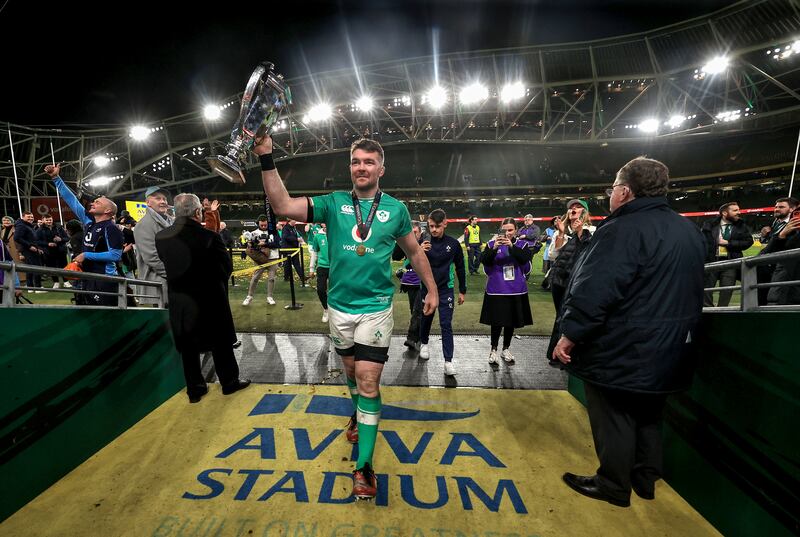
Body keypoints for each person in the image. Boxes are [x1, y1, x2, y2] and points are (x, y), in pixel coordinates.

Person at [254, 135, 437, 500]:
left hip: (376, 308)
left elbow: (415, 252)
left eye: (369, 161)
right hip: (339, 308)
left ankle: (364, 466)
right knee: (352, 374)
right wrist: (265, 157)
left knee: (369, 381)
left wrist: (431, 289)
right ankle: (357, 412)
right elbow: (282, 204)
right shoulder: (333, 203)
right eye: (356, 161)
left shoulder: (396, 209)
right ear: (350, 167)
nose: (362, 167)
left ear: (381, 169)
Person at [553, 157, 705, 508]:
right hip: (673, 345)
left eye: (612, 189)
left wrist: (570, 334)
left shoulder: (621, 229)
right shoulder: (688, 230)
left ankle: (613, 484)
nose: (610, 195)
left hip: (626, 343)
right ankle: (646, 478)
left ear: (624, 191)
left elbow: (597, 290)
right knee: (650, 412)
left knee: (614, 413)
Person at [155, 193, 250, 403]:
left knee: (188, 348)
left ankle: (195, 389)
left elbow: (166, 262)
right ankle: (229, 382)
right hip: (211, 301)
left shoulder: (161, 237)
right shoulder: (210, 237)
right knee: (220, 344)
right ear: (198, 212)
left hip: (180, 301)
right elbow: (226, 269)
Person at [45, 164, 124, 306]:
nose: (93, 203)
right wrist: (56, 178)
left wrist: (86, 255)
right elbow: (71, 200)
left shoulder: (112, 228)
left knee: (107, 317)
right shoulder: (88, 221)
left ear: (107, 211)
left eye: (97, 202)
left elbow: (115, 255)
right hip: (87, 277)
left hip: (105, 279)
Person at [480, 217, 537, 365]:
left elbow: (525, 259)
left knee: (511, 322)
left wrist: (511, 246)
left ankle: (506, 348)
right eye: (504, 230)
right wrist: (493, 249)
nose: (507, 233)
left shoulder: (522, 245)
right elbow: (484, 260)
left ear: (516, 230)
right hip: (496, 290)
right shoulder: (492, 244)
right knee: (496, 322)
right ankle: (493, 350)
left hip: (516, 290)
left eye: (510, 230)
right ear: (500, 230)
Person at [418, 209, 466, 376]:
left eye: (437, 226)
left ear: (445, 223)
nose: (434, 230)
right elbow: (411, 266)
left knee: (446, 324)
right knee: (426, 319)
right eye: (431, 226)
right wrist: (419, 252)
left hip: (446, 290)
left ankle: (448, 362)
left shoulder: (453, 244)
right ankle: (423, 343)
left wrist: (463, 290)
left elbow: (460, 267)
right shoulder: (423, 243)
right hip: (426, 289)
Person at [546, 200, 594, 363]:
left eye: (578, 207)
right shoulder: (562, 230)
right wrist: (560, 233)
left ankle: (568, 353)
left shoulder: (593, 230)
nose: (573, 209)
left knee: (570, 315)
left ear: (585, 212)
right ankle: (558, 353)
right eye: (571, 208)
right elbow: (553, 255)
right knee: (560, 315)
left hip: (577, 281)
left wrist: (580, 230)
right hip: (559, 280)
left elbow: (589, 252)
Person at [700, 202, 753, 307]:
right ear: (724, 213)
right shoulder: (709, 224)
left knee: (727, 290)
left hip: (730, 262)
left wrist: (729, 243)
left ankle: (722, 311)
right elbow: (702, 241)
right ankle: (709, 311)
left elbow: (748, 242)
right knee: (706, 289)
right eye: (735, 210)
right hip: (712, 261)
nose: (739, 212)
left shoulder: (741, 225)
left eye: (738, 210)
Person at [133, 186, 173, 306]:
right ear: (148, 202)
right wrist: (175, 273)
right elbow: (151, 258)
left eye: (164, 199)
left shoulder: (170, 221)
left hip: (171, 283)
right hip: (158, 283)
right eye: (157, 198)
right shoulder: (144, 224)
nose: (162, 202)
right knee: (166, 322)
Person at [756, 197, 798, 305]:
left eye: (781, 207)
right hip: (770, 269)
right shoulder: (776, 222)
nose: (776, 209)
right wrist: (764, 236)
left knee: (778, 300)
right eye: (776, 207)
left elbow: (786, 245)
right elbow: (770, 241)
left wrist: (781, 235)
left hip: (785, 270)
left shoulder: (794, 225)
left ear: (792, 209)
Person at [393, 221, 423, 350]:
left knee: (417, 310)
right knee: (414, 311)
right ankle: (419, 338)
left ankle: (412, 338)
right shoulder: (406, 242)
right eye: (410, 232)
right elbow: (396, 256)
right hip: (410, 281)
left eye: (415, 232)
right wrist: (400, 240)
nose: (413, 235)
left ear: (420, 232)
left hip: (423, 282)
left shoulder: (426, 242)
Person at [242, 215, 280, 306]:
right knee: (255, 277)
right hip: (260, 258)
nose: (263, 227)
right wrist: (251, 245)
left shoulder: (274, 232)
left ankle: (270, 297)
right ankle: (249, 296)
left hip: (273, 257)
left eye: (265, 225)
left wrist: (265, 244)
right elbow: (249, 245)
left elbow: (277, 244)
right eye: (261, 225)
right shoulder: (254, 233)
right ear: (258, 223)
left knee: (271, 279)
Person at [14, 211, 45, 292]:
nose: (31, 218)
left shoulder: (27, 225)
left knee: (29, 269)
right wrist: (29, 246)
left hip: (31, 249)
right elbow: (16, 238)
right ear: (23, 217)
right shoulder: (21, 225)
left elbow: (32, 239)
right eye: (28, 217)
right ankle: (38, 288)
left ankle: (30, 287)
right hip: (28, 250)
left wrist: (37, 248)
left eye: (32, 217)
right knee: (36, 268)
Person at [38, 214, 69, 288]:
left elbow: (67, 238)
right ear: (43, 220)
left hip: (60, 251)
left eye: (50, 220)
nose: (49, 221)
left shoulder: (59, 227)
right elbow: (37, 241)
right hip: (48, 252)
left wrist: (60, 239)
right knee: (52, 267)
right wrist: (48, 244)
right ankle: (56, 282)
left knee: (64, 266)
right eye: (47, 220)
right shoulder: (39, 230)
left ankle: (66, 281)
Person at [310, 223, 330, 322]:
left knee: (336, 290)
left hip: (335, 267)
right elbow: (314, 253)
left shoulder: (337, 234)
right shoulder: (318, 236)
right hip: (322, 267)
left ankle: (335, 311)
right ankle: (326, 309)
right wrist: (311, 269)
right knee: (321, 290)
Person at [1, 215, 25, 291]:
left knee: (19, 266)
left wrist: (21, 253)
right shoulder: (2, 231)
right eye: (4, 221)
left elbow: (20, 242)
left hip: (15, 251)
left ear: (12, 222)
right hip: (5, 252)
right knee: (10, 268)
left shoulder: (16, 230)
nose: (6, 222)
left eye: (8, 220)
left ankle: (23, 283)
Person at [281, 219, 307, 287]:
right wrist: (296, 239)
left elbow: (296, 235)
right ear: (290, 221)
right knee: (287, 264)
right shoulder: (285, 228)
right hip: (287, 249)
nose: (295, 221)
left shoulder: (294, 228)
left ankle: (302, 277)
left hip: (294, 249)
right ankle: (286, 277)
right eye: (294, 220)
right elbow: (286, 237)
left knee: (297, 263)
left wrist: (299, 239)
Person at [541, 217, 558, 285]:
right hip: (548, 251)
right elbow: (541, 237)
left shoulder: (564, 230)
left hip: (558, 251)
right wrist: (546, 237)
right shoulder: (548, 230)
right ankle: (548, 283)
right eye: (555, 221)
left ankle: (554, 283)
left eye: (558, 221)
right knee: (548, 268)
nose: (556, 222)